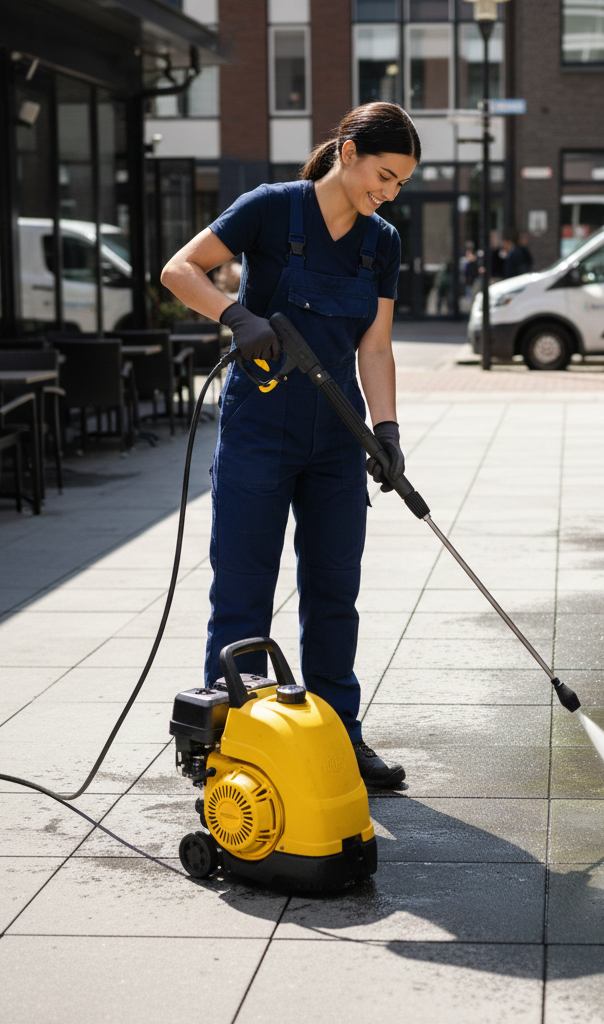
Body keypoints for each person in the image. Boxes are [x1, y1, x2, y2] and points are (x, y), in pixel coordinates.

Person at [160, 102, 420, 788]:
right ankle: (232, 743)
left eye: (399, 185)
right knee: (243, 588)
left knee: (334, 590)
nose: (388, 194)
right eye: (384, 176)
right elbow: (180, 269)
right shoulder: (271, 209)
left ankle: (340, 737)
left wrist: (387, 432)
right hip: (259, 430)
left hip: (337, 435)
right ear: (349, 150)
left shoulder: (381, 241)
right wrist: (234, 315)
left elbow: (377, 346)